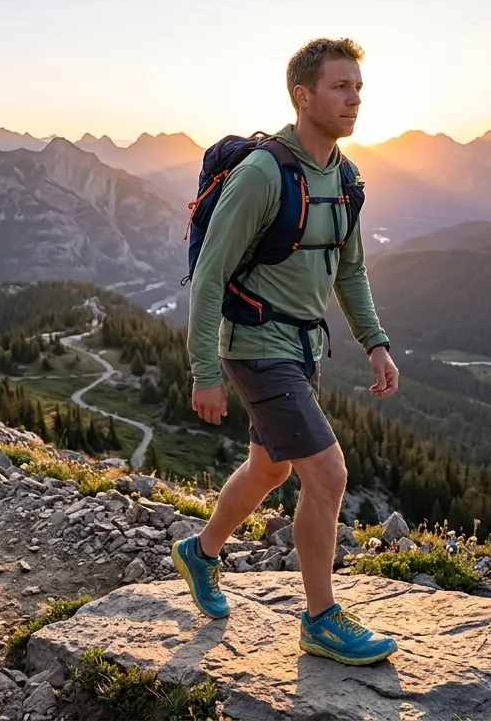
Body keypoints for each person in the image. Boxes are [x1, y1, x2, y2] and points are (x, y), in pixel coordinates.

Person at [171, 37, 400, 666]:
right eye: (340, 87)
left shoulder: (345, 177)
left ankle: (202, 552)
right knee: (327, 474)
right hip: (253, 343)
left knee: (271, 467)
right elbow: (211, 274)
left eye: (358, 86)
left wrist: (375, 343)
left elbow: (349, 271)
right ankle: (321, 619)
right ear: (303, 95)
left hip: (303, 347)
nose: (355, 99)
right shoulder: (262, 174)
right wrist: (205, 371)